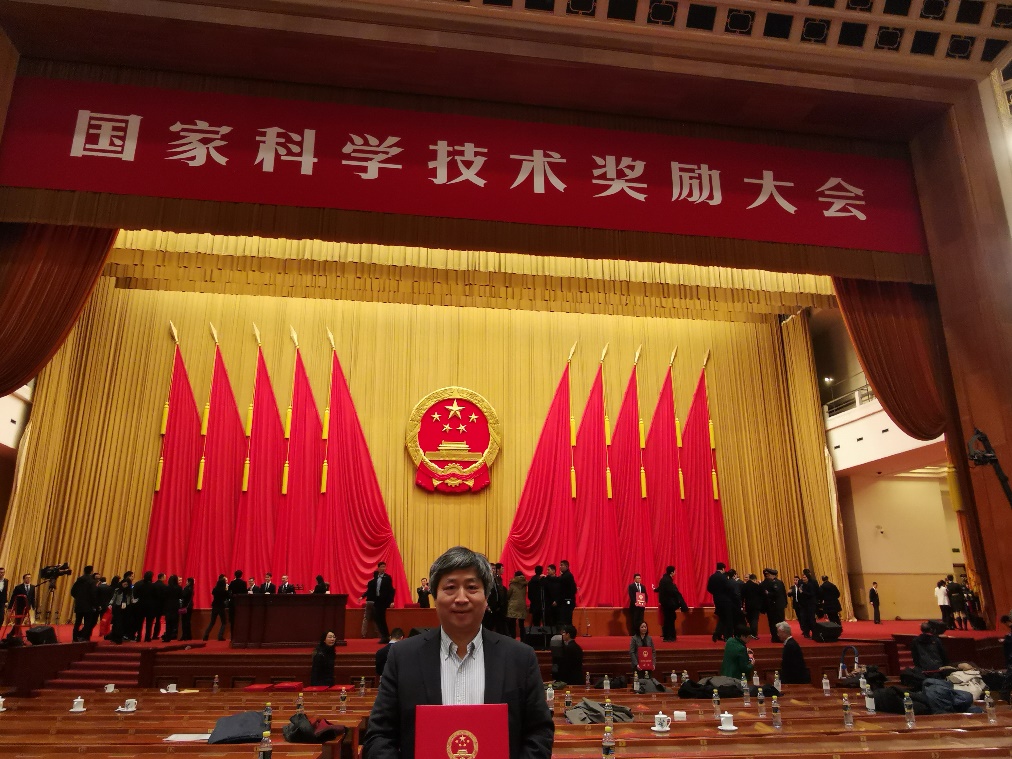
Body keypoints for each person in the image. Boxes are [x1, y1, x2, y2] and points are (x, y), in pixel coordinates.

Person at [363, 545, 554, 759]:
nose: (461, 598)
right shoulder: (402, 657)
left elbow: (539, 734)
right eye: (450, 587)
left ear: (486, 596)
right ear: (435, 596)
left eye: (472, 587)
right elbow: (379, 736)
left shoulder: (520, 658)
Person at [363, 562, 395, 643]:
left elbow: (391, 590)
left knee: (381, 618)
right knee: (377, 618)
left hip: (384, 601)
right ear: (378, 568)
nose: (383, 568)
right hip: (376, 600)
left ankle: (385, 636)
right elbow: (371, 589)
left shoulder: (387, 577)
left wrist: (391, 601)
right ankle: (384, 635)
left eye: (384, 567)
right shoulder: (376, 578)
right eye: (382, 567)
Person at [656, 566, 688, 642]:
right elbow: (673, 592)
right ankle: (670, 636)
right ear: (672, 572)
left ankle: (667, 636)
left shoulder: (663, 579)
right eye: (674, 571)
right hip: (669, 604)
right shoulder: (668, 581)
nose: (675, 573)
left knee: (667, 620)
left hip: (665, 604)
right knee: (670, 620)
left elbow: (660, 590)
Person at [70, 564, 98, 642]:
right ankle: (85, 637)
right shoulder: (92, 581)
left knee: (77, 622)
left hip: (79, 604)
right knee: (87, 622)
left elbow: (72, 591)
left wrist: (78, 598)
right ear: (91, 572)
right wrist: (94, 604)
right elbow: (93, 594)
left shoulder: (79, 580)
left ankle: (74, 637)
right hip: (88, 605)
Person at [707, 562, 732, 642]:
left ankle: (718, 634)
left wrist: (716, 593)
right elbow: (728, 587)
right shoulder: (724, 577)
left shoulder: (712, 577)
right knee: (727, 618)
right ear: (723, 569)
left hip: (716, 599)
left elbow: (709, 588)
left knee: (722, 617)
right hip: (726, 600)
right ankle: (726, 636)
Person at [761, 569, 788, 643]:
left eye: (769, 575)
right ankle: (777, 637)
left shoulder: (775, 583)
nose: (768, 576)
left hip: (776, 606)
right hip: (778, 605)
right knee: (777, 622)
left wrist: (768, 593)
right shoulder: (779, 582)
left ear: (772, 575)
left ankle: (778, 637)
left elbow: (777, 594)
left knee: (776, 622)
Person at [202, 574, 229, 641]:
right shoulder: (224, 591)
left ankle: (206, 635)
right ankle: (220, 635)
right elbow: (227, 597)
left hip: (215, 606)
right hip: (221, 606)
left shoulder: (215, 589)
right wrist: (226, 590)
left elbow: (213, 593)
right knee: (224, 622)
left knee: (212, 622)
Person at [484, 563, 508, 634]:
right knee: (488, 627)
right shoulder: (486, 580)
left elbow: (498, 592)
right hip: (488, 607)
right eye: (492, 569)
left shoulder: (496, 579)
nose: (493, 570)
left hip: (496, 607)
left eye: (494, 569)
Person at [741, 573, 765, 640]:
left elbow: (742, 597)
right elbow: (762, 595)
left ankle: (750, 632)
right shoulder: (757, 586)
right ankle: (754, 634)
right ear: (754, 579)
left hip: (748, 605)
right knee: (755, 619)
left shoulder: (744, 586)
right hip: (756, 606)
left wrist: (741, 606)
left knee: (749, 619)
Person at [506, 570, 528, 640]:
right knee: (521, 625)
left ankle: (513, 638)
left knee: (512, 624)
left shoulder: (513, 584)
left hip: (513, 606)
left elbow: (508, 595)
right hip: (522, 605)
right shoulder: (525, 584)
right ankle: (523, 639)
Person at [797, 569, 818, 639]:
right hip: (803, 605)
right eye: (803, 577)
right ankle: (806, 633)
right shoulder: (801, 584)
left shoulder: (811, 584)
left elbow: (812, 594)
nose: (803, 579)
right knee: (804, 619)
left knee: (811, 619)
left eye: (804, 577)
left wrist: (803, 592)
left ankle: (814, 633)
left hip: (810, 604)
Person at [558, 560, 577, 627]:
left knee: (566, 619)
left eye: (562, 565)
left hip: (568, 601)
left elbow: (572, 590)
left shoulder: (567, 576)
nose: (560, 567)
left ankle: (568, 631)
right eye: (560, 565)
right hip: (567, 601)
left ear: (566, 566)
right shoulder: (565, 575)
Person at [543, 564, 561, 630]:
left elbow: (560, 592)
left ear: (553, 571)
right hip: (548, 604)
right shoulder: (545, 580)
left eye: (548, 570)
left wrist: (557, 601)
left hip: (557, 604)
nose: (547, 571)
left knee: (556, 622)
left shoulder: (559, 580)